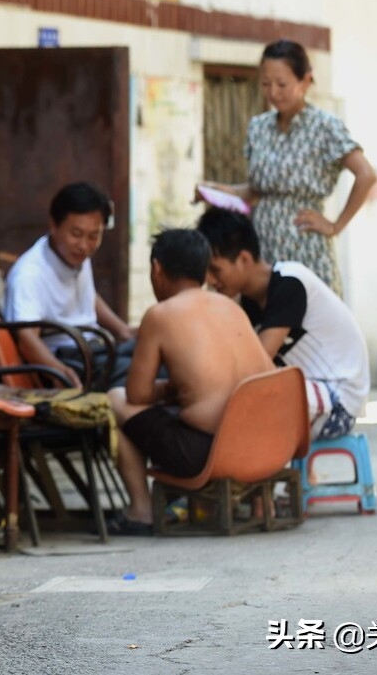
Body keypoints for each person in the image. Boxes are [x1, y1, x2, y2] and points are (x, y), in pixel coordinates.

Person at [108, 229, 274, 536]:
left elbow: (137, 394)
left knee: (115, 399)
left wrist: (165, 390)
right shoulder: (233, 308)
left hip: (209, 456)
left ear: (157, 269)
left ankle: (141, 511)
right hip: (268, 447)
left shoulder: (159, 315)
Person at [197, 39, 377, 295]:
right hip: (263, 246)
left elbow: (366, 175)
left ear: (305, 81)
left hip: (305, 248)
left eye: (282, 84)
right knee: (265, 321)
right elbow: (258, 190)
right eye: (265, 84)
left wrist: (335, 226)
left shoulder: (325, 127)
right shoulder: (258, 127)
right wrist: (215, 190)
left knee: (306, 322)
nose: (273, 92)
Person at [197, 207, 370, 440]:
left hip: (339, 403)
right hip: (314, 394)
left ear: (244, 259)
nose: (209, 280)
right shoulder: (249, 300)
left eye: (215, 270)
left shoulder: (289, 282)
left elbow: (255, 362)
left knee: (239, 395)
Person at [4, 182, 134, 389]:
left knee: (150, 352)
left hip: (94, 349)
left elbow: (88, 296)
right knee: (143, 372)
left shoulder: (76, 256)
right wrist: (60, 371)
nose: (84, 245)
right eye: (76, 234)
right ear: (54, 225)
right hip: (70, 360)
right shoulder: (29, 273)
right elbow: (27, 338)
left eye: (94, 236)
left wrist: (122, 329)